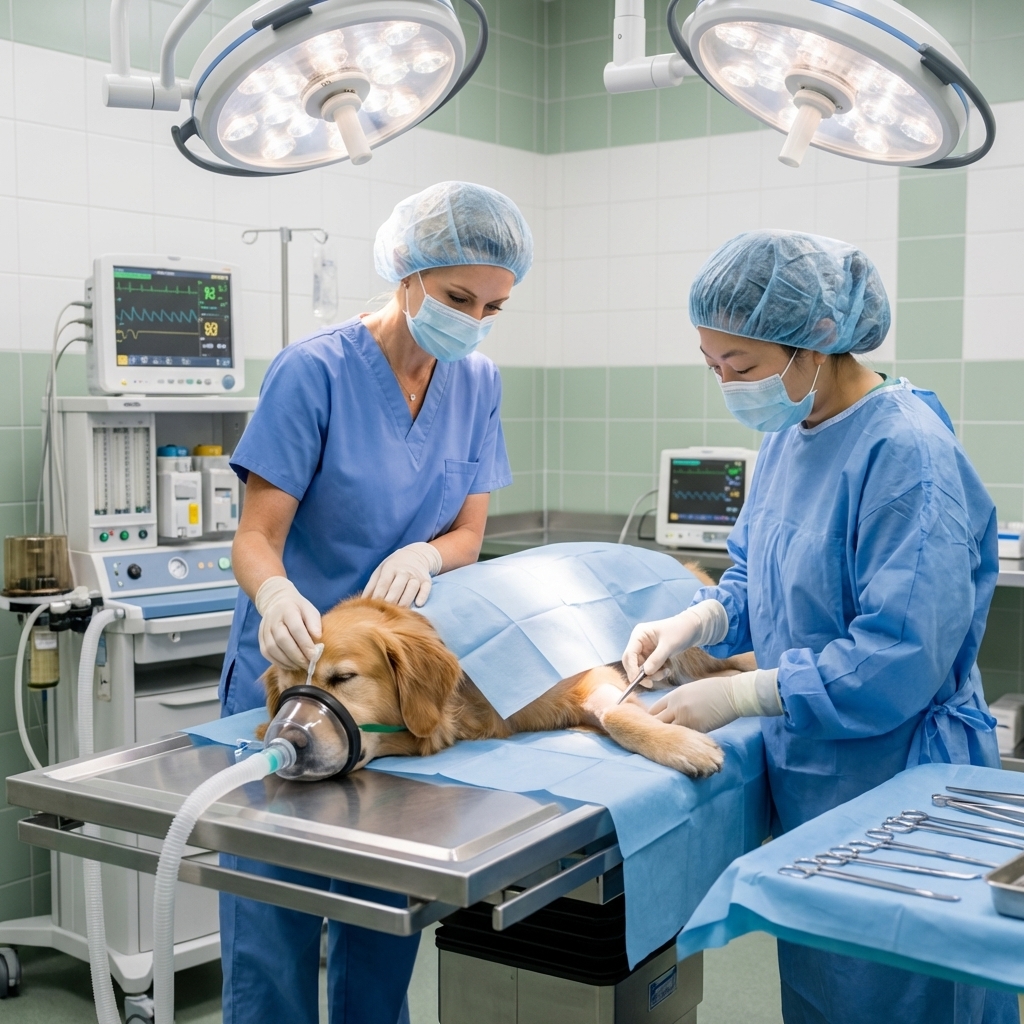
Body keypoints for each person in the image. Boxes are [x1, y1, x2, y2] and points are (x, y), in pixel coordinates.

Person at [622, 230, 1017, 1024]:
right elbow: (756, 575)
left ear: (817, 342)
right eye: (713, 364)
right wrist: (700, 619)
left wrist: (743, 698)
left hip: (903, 775)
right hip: (819, 773)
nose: (727, 382)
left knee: (900, 995)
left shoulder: (907, 451)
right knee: (824, 988)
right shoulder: (783, 438)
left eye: (742, 363)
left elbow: (899, 655)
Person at [217, 180, 533, 1024]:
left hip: (394, 701)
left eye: (494, 305)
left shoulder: (476, 380)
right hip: (297, 672)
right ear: (406, 273)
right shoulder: (314, 372)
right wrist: (275, 591)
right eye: (457, 297)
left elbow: (469, 532)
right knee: (275, 926)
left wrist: (428, 553)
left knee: (384, 918)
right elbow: (256, 537)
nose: (473, 319)